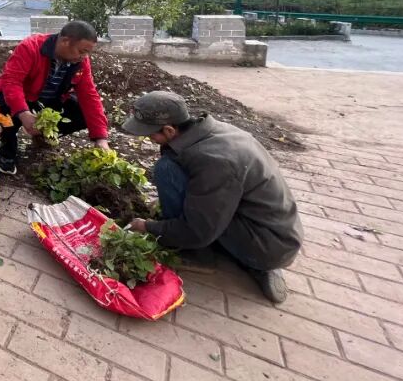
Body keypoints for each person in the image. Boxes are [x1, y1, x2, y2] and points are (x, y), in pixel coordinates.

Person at [122, 91, 302, 304]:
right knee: (173, 166)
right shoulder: (212, 132)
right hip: (272, 228)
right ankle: (243, 258)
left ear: (169, 130)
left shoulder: (215, 162)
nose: (149, 139)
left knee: (166, 170)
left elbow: (198, 230)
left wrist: (148, 227)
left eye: (151, 134)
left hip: (268, 245)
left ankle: (201, 255)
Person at [0, 20, 110, 175]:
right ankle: (7, 149)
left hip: (49, 100)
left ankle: (43, 134)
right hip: (21, 96)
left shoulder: (80, 61)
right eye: (81, 51)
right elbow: (11, 82)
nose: (84, 57)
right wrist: (23, 113)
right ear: (65, 41)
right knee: (6, 109)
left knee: (80, 112)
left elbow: (89, 95)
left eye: (87, 53)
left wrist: (101, 138)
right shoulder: (31, 47)